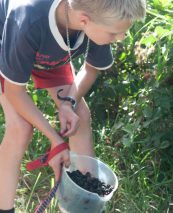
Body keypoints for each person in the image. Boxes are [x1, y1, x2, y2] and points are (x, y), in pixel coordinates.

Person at [0, 0, 146, 212]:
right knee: (20, 128)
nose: (121, 38)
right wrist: (55, 140)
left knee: (80, 116)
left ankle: (80, 205)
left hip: (48, 55)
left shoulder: (97, 16)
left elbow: (91, 69)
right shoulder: (28, 19)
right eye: (114, 34)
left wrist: (69, 103)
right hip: (7, 43)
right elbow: (15, 93)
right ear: (84, 20)